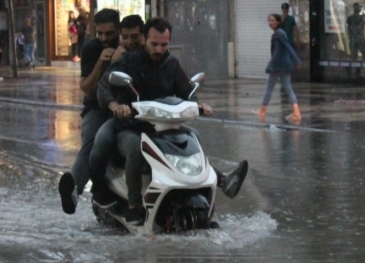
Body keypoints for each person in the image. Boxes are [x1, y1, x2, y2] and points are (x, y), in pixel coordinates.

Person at [91, 17, 248, 224]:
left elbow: (186, 91)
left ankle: (214, 188)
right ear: (145, 40)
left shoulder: (171, 63)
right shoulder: (128, 61)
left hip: (164, 127)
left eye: (164, 44)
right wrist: (115, 106)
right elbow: (104, 86)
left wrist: (198, 105)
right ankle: (134, 206)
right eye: (154, 44)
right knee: (135, 148)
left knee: (194, 137)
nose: (159, 49)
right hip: (132, 126)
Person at [57, 9, 123, 215]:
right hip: (97, 108)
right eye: (100, 33)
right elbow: (86, 88)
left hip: (127, 107)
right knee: (92, 144)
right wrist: (100, 64)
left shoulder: (129, 46)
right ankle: (74, 191)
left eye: (109, 33)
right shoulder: (91, 49)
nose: (104, 38)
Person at [254, 13, 303, 124]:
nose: (270, 23)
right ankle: (296, 112)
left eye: (273, 20)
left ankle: (262, 111)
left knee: (269, 87)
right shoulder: (280, 33)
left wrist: (297, 60)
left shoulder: (279, 34)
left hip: (277, 65)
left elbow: (288, 46)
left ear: (279, 22)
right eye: (269, 20)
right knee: (287, 88)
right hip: (285, 65)